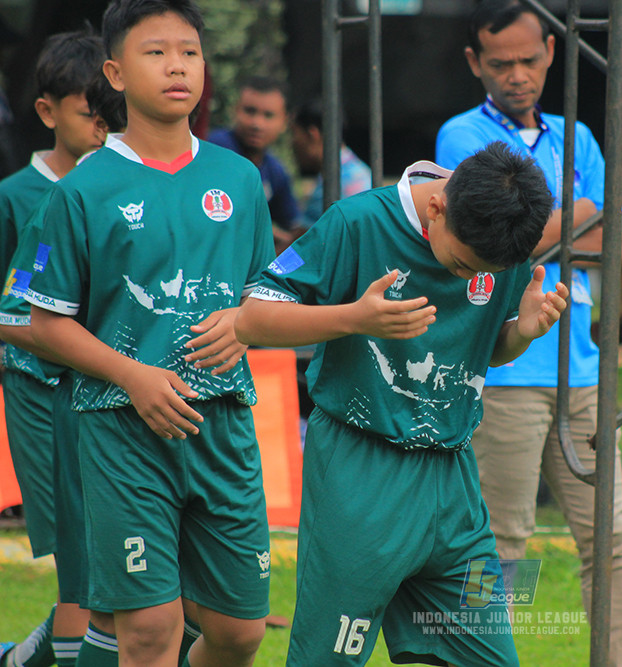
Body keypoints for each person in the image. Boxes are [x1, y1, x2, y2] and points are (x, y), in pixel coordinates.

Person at [234, 140, 567, 666]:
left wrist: (521, 332)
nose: (468, 278)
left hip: (455, 484)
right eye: (462, 264)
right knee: (328, 657)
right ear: (437, 207)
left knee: (493, 658)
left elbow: (482, 349)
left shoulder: (498, 240)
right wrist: (353, 318)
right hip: (361, 474)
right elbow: (251, 319)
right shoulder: (356, 222)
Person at [26, 1, 274, 665]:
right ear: (115, 71)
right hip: (122, 430)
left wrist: (247, 324)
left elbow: (261, 294)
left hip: (222, 425)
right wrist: (132, 374)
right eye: (156, 52)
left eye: (189, 52)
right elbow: (44, 321)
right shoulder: (81, 190)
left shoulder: (240, 179)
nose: (177, 67)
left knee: (239, 632)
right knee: (147, 629)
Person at [435, 2, 622, 664]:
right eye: (501, 64)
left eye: (529, 60)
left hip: (581, 369)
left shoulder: (577, 135)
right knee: (501, 543)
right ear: (475, 63)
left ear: (552, 51)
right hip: (507, 368)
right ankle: (486, 655)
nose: (517, 75)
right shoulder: (460, 137)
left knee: (609, 540)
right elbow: (489, 235)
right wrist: (582, 212)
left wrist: (550, 227)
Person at [0, 28, 106, 667]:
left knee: (111, 559)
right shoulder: (18, 197)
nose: (100, 128)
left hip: (108, 391)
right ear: (47, 111)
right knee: (80, 558)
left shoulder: (119, 188)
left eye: (108, 116)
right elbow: (9, 308)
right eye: (87, 113)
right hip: (41, 392)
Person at [208, 75, 300, 252]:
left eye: (268, 115)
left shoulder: (275, 170)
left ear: (284, 121)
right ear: (235, 110)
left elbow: (293, 225)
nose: (257, 124)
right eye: (250, 111)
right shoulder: (216, 149)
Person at [290, 97, 372, 228]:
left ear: (313, 134)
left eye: (294, 133)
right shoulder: (360, 171)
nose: (292, 142)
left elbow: (300, 242)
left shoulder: (331, 184)